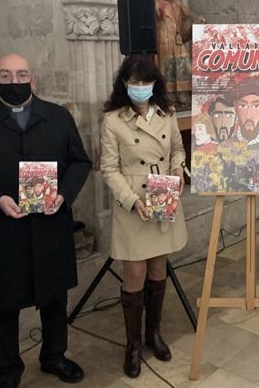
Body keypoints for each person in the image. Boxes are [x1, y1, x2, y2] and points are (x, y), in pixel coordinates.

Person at [0, 54, 92, 388]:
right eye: (6, 75)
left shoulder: (58, 117)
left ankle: (54, 355)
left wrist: (64, 195)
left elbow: (80, 162)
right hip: (4, 231)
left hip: (51, 226)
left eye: (22, 74)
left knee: (55, 298)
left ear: (34, 79)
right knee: (5, 306)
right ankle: (8, 373)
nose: (15, 81)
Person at [100, 56, 187, 379]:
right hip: (134, 203)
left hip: (163, 196)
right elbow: (108, 168)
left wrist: (177, 169)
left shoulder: (167, 114)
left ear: (155, 84)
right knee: (134, 273)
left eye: (145, 82)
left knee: (157, 269)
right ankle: (133, 344)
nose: (140, 88)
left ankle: (154, 333)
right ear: (124, 84)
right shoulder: (113, 120)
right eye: (134, 82)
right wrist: (131, 200)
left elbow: (178, 149)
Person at [154, 0, 205, 110]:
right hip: (163, 37)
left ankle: (184, 97)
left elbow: (187, 13)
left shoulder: (176, 0)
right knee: (166, 67)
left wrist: (197, 19)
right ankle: (168, 98)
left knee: (184, 65)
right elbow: (154, 19)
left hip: (176, 38)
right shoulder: (156, 1)